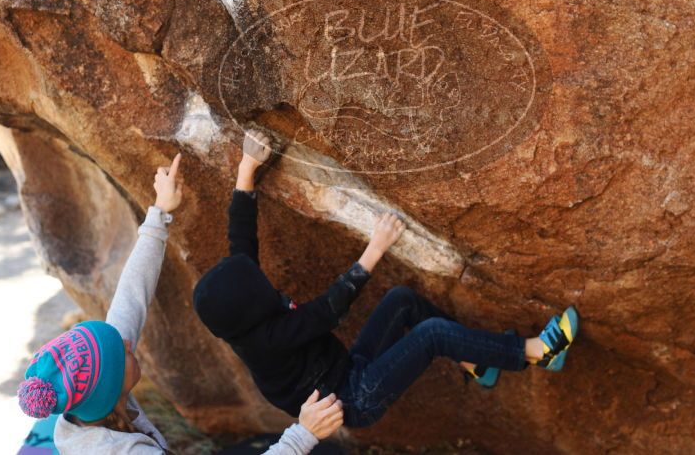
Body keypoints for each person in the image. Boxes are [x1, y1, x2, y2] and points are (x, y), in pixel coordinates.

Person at [193, 131, 580, 428]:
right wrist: (374, 249)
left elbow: (240, 241)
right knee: (431, 335)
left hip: (346, 370)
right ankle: (536, 353)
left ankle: (478, 362)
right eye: (253, 282)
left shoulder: (241, 311)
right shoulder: (265, 341)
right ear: (248, 309)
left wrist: (246, 168)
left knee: (402, 300)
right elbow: (327, 312)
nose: (255, 275)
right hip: (354, 399)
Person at [16, 153, 342, 454]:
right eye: (123, 351)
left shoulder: (91, 399)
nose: (129, 341)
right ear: (111, 390)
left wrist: (159, 213)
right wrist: (303, 434)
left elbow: (131, 298)